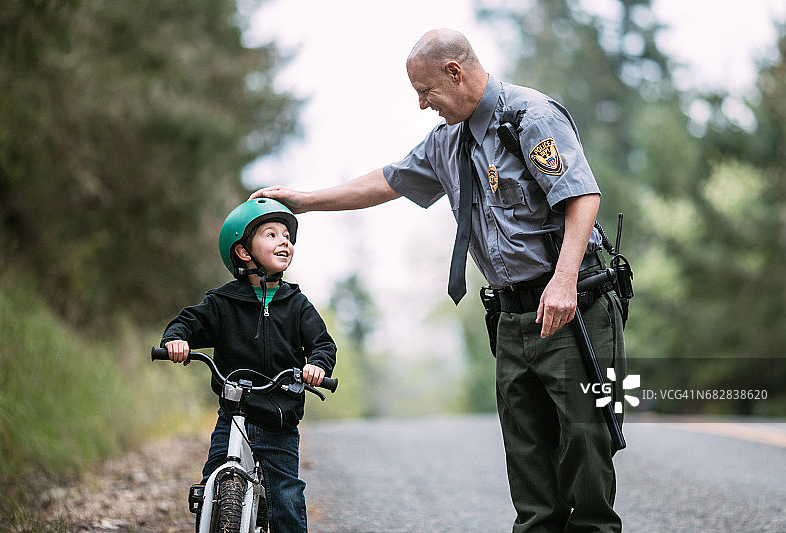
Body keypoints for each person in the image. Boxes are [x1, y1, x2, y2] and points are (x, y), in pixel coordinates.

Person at [251, 28, 625, 533]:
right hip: (513, 319)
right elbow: (386, 181)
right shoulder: (446, 142)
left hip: (571, 306)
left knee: (585, 445)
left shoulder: (529, 116)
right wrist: (305, 201)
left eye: (426, 91)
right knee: (528, 460)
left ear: (455, 72)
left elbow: (581, 197)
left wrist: (563, 282)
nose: (423, 104)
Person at [159, 198, 336, 533]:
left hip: (279, 420)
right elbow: (187, 322)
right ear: (243, 252)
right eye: (272, 234)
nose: (284, 241)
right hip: (233, 416)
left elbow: (322, 344)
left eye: (287, 236)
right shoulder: (222, 302)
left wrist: (317, 365)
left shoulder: (297, 304)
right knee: (211, 487)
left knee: (286, 497)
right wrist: (176, 340)